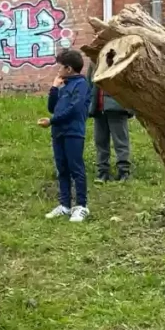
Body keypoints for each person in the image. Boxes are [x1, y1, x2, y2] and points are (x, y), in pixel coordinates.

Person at [38, 49, 92, 222]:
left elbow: (75, 109)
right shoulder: (64, 84)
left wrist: (52, 121)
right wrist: (54, 88)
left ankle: (81, 206)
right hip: (59, 133)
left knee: (76, 168)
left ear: (69, 68)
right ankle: (65, 205)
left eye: (60, 67)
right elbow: (52, 107)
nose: (58, 70)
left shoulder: (81, 85)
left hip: (73, 132)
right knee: (62, 169)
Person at [87, 59, 133, 182]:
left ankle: (124, 172)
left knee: (120, 141)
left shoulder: (121, 58)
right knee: (100, 141)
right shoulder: (94, 61)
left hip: (117, 107)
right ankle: (103, 172)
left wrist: (129, 105)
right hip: (98, 107)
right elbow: (89, 84)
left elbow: (130, 84)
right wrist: (90, 104)